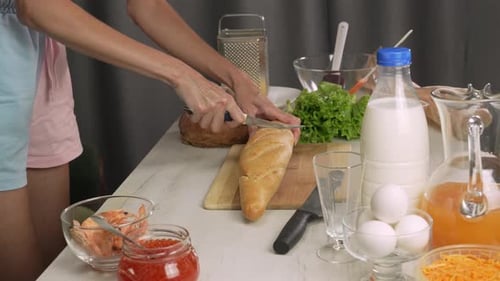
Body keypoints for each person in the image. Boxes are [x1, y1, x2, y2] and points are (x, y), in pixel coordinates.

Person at [0, 0, 301, 280]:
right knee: (19, 266)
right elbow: (36, 6)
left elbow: (148, 6)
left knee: (57, 264)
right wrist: (181, 75)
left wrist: (237, 81)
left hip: (42, 51)